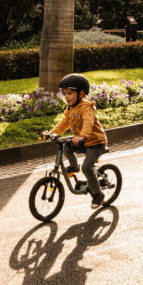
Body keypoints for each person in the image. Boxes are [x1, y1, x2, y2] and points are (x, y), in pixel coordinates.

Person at [44, 73, 109, 209]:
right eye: (64, 93)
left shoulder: (86, 108)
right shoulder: (70, 109)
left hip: (96, 143)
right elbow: (63, 125)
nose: (66, 96)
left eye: (70, 93)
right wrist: (51, 133)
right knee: (66, 147)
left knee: (86, 167)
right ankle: (73, 167)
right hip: (82, 143)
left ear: (81, 94)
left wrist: (83, 136)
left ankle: (98, 195)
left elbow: (88, 123)